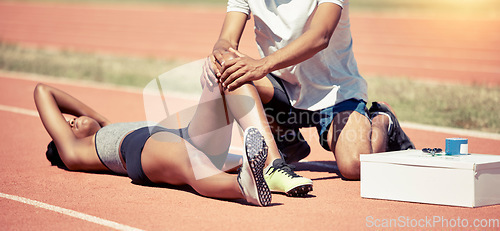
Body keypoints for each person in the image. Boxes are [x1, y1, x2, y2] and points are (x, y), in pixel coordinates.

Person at [209, 0, 415, 180]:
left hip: (335, 93)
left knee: (355, 166)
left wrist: (262, 65)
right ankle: (289, 143)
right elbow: (226, 40)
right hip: (282, 91)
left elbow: (321, 36)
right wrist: (221, 56)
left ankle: (383, 119)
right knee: (232, 73)